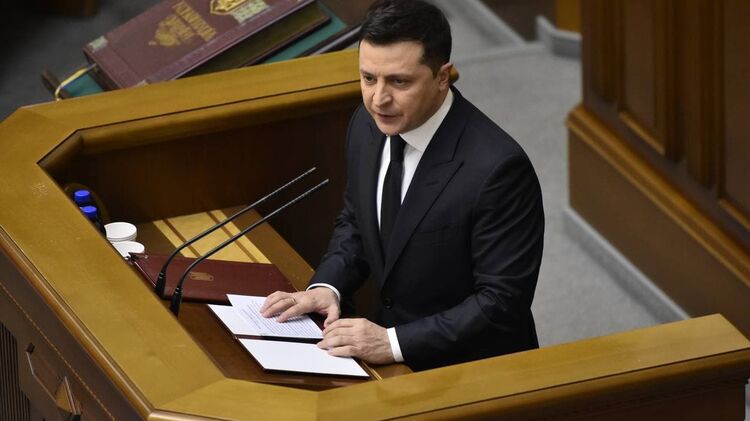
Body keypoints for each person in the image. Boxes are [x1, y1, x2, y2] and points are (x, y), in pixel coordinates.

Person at [261, 0, 544, 371]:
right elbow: (357, 222)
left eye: (399, 81)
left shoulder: (498, 169)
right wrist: (328, 287)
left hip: (470, 369)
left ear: (442, 77)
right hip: (389, 360)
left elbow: (501, 301)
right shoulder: (365, 126)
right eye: (368, 78)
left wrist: (392, 342)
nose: (378, 99)